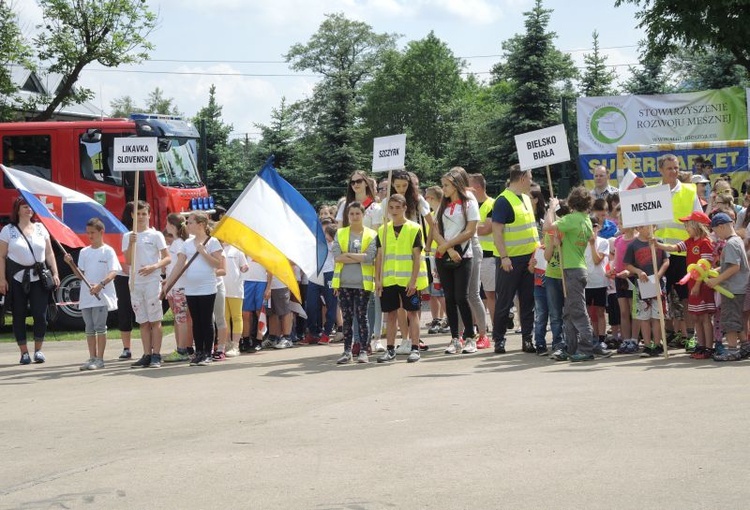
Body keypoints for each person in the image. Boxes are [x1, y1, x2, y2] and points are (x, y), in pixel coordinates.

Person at [544, 188, 613, 362]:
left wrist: (551, 208)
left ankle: (586, 348)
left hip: (573, 269)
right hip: (577, 268)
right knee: (568, 311)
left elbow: (546, 227)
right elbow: (580, 238)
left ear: (572, 203)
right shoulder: (586, 221)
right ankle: (571, 347)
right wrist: (561, 240)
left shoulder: (572, 219)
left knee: (578, 311)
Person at [0, 197, 60, 365]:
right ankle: (24, 352)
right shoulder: (8, 230)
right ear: (17, 210)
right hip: (17, 279)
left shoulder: (41, 228)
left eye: (30, 207)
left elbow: (49, 253)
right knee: (18, 315)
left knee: (40, 315)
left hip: (38, 277)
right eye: (25, 207)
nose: (29, 210)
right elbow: (1, 256)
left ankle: (38, 350)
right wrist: (2, 279)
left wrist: (54, 272)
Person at [163, 212, 224, 366]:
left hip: (207, 287)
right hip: (191, 288)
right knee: (196, 321)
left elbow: (218, 264)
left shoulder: (213, 242)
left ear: (201, 224)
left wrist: (203, 252)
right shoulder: (187, 244)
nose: (187, 225)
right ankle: (199, 352)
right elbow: (178, 265)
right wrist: (168, 283)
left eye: (190, 222)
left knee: (206, 320)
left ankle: (207, 353)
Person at [375, 194, 429, 363]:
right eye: (391, 208)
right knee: (391, 314)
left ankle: (415, 348)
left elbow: (416, 257)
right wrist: (377, 279)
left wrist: (413, 280)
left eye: (398, 207)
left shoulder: (414, 228)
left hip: (407, 281)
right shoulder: (383, 230)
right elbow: (380, 256)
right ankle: (390, 349)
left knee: (412, 313)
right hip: (389, 280)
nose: (394, 211)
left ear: (405, 208)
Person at [431, 169, 479, 355]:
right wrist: (447, 248)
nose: (443, 189)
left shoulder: (468, 204)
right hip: (444, 254)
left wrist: (450, 246)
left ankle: (470, 336)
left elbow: (470, 230)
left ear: (456, 185)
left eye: (446, 185)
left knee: (461, 296)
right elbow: (435, 231)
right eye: (443, 185)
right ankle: (454, 338)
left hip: (463, 254)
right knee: (449, 297)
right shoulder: (443, 206)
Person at [491, 165, 538, 354]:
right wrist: (504, 257)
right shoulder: (503, 200)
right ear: (523, 177)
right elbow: (497, 231)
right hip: (510, 260)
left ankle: (528, 339)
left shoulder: (526, 198)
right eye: (531, 176)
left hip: (529, 260)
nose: (532, 180)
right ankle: (499, 340)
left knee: (528, 302)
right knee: (504, 301)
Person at [654, 211, 715, 358]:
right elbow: (674, 248)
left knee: (705, 317)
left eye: (687, 225)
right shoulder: (690, 241)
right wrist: (656, 244)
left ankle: (708, 347)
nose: (686, 228)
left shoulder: (705, 242)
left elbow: (705, 266)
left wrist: (697, 285)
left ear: (696, 225)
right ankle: (700, 345)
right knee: (696, 317)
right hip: (692, 285)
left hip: (702, 285)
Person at [655, 154, 700, 349]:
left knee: (685, 297)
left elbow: (698, 220)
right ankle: (666, 335)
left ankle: (690, 335)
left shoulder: (690, 190)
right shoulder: (651, 192)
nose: (674, 172)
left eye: (676, 168)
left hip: (683, 253)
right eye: (670, 168)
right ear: (661, 170)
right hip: (658, 253)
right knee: (661, 297)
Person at [66, 218, 120, 371]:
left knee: (100, 327)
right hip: (86, 296)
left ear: (101, 232)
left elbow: (114, 271)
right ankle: (92, 357)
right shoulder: (84, 252)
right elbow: (79, 274)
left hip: (102, 296)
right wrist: (70, 263)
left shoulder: (108, 251)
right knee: (89, 328)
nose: (90, 236)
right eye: (88, 233)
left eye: (93, 233)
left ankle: (100, 359)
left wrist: (101, 285)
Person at [123, 200, 171, 368]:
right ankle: (146, 354)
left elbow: (167, 257)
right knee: (143, 321)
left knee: (155, 319)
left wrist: (154, 266)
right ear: (132, 215)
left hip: (152, 281)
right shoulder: (127, 236)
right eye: (138, 214)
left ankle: (156, 354)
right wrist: (131, 243)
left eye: (144, 213)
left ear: (149, 215)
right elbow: (128, 260)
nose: (141, 217)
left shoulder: (156, 235)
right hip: (136, 282)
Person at [331, 201, 377, 364]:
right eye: (352, 214)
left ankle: (363, 350)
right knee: (347, 318)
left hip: (362, 283)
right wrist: (358, 257)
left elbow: (370, 257)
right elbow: (337, 256)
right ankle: (346, 351)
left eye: (358, 213)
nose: (355, 216)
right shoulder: (341, 233)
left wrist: (348, 255)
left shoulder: (371, 234)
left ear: (363, 215)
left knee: (362, 316)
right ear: (348, 216)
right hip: (344, 283)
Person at [705, 213, 750, 361]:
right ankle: (745, 346)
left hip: (732, 289)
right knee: (735, 319)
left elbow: (734, 267)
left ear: (722, 226)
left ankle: (732, 351)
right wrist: (715, 271)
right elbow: (731, 265)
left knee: (729, 321)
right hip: (737, 287)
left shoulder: (730, 244)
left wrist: (716, 280)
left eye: (716, 230)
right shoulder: (737, 241)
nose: (715, 234)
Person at [624, 224, 670, 358]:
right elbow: (627, 264)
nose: (649, 229)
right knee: (644, 318)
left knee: (657, 316)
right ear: (638, 228)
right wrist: (638, 271)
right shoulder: (633, 245)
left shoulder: (659, 242)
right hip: (642, 286)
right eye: (645, 227)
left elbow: (666, 261)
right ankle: (647, 345)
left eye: (652, 226)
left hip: (658, 285)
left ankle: (657, 344)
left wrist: (659, 275)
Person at [470, 173, 496, 348]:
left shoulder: (491, 204)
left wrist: (468, 227)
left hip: (488, 255)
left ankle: (496, 329)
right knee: (472, 295)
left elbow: (487, 229)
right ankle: (479, 328)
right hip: (471, 255)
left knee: (490, 295)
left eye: (468, 186)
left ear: (477, 187)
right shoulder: (468, 204)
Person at [162, 213, 192, 363]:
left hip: (179, 287)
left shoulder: (179, 243)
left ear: (172, 226)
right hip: (175, 286)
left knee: (181, 319)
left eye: (167, 223)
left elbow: (181, 266)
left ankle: (182, 350)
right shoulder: (176, 243)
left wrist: (169, 282)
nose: (165, 226)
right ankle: (182, 347)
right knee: (180, 318)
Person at [114, 202, 137, 360]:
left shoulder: (149, 232)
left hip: (142, 276)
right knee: (125, 311)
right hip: (124, 276)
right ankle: (126, 347)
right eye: (138, 213)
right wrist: (129, 271)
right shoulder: (121, 233)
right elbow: (120, 255)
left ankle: (149, 346)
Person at [584, 216, 610, 350]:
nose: (592, 230)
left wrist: (592, 243)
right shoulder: (581, 243)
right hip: (586, 282)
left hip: (600, 282)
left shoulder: (604, 242)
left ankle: (601, 338)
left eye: (594, 227)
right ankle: (590, 336)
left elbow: (596, 260)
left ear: (598, 228)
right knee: (587, 312)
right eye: (589, 227)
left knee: (600, 311)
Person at [222, 241, 248, 357]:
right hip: (221, 288)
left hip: (235, 289)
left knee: (236, 317)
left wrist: (244, 268)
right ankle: (226, 343)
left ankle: (235, 345)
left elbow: (244, 265)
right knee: (224, 317)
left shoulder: (237, 249)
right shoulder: (217, 248)